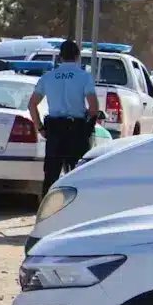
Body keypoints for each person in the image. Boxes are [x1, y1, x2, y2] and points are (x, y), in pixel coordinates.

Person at [27, 39, 99, 196]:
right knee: (79, 176)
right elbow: (94, 108)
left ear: (60, 57)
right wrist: (87, 126)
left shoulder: (48, 77)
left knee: (51, 177)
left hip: (54, 132)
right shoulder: (84, 77)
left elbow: (32, 104)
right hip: (77, 131)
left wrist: (40, 128)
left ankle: (47, 208)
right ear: (78, 56)